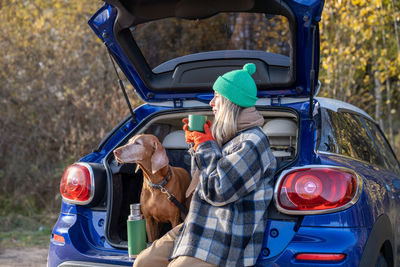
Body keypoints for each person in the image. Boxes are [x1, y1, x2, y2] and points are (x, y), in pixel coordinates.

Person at [133, 63, 276, 267]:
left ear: (230, 103)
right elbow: (199, 184)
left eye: (216, 96)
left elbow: (217, 191)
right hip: (198, 223)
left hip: (225, 232)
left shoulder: (252, 142)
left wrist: (205, 146)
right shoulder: (227, 137)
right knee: (144, 262)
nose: (211, 103)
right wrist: (196, 145)